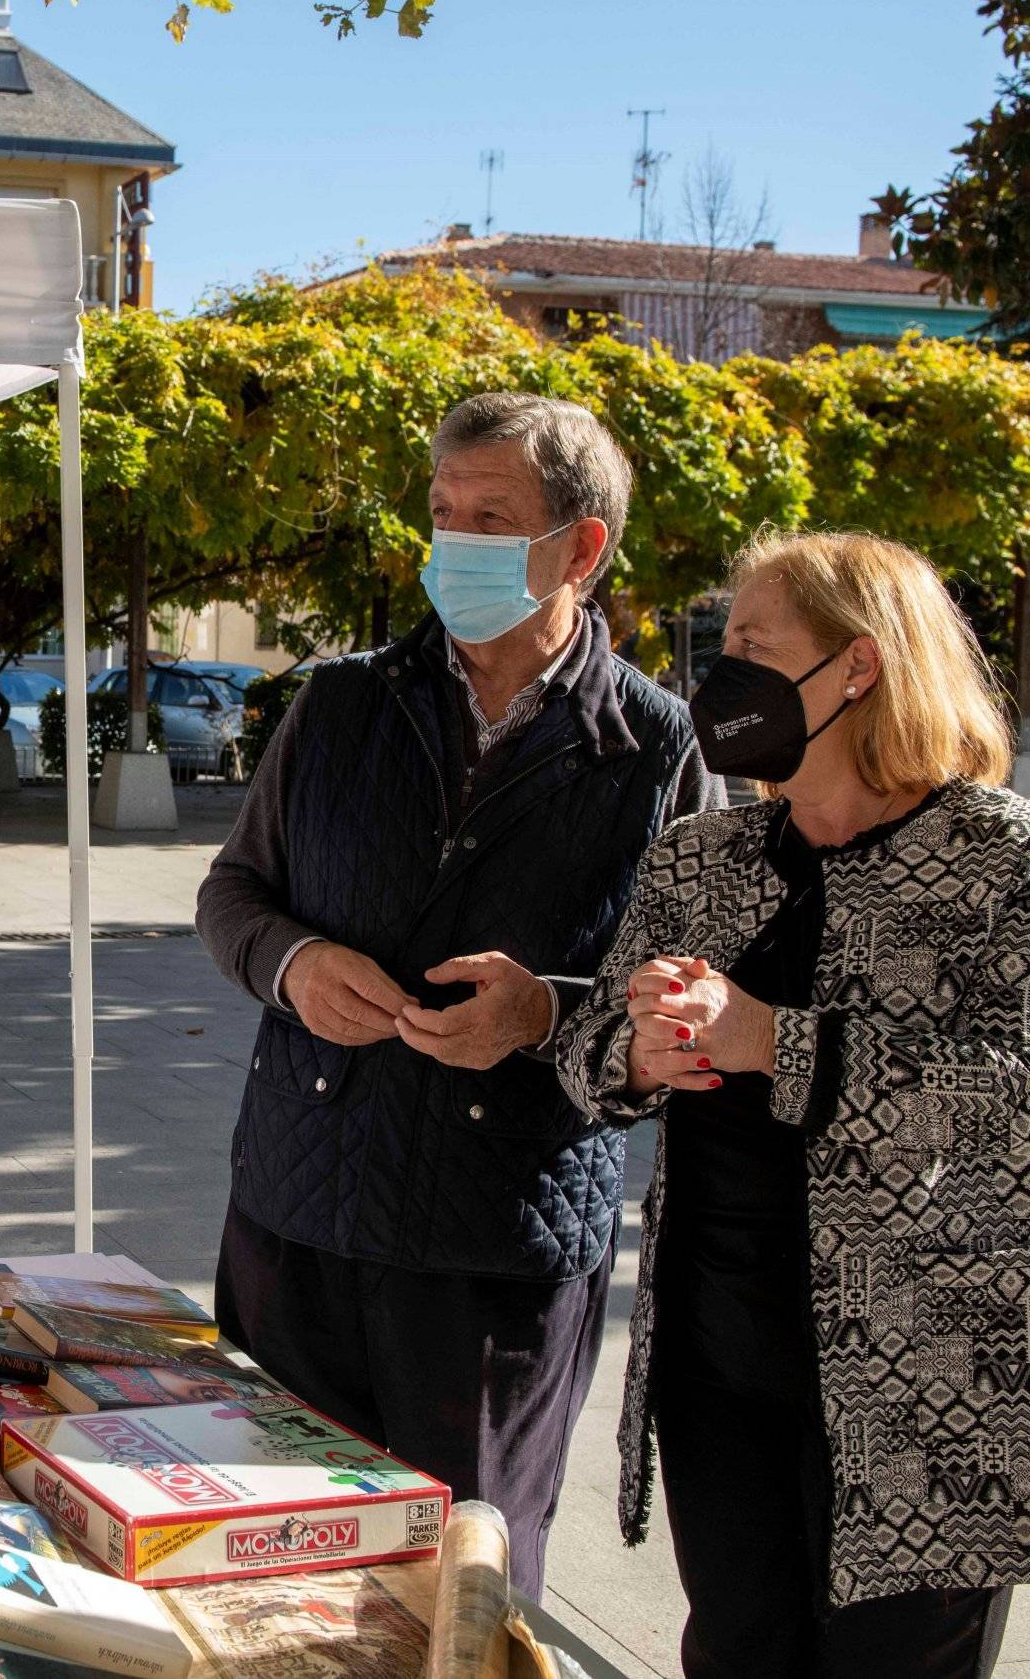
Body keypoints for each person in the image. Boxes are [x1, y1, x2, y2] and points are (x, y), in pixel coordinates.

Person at [555, 531, 1030, 1678]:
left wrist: (767, 1039)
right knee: (736, 1654)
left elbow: (1017, 1091)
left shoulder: (1012, 857)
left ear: (858, 668)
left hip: (941, 1380)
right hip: (720, 1362)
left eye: (753, 648)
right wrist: (639, 1050)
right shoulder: (699, 856)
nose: (719, 678)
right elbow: (582, 1059)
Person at [194, 392, 721, 1599]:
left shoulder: (655, 746)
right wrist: (289, 963)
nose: (453, 544)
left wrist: (544, 1013)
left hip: (499, 1248)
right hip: (295, 1220)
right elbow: (233, 894)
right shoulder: (336, 704)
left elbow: (688, 997)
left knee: (457, 1594)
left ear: (579, 549)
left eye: (490, 517)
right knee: (263, 1582)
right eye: (442, 513)